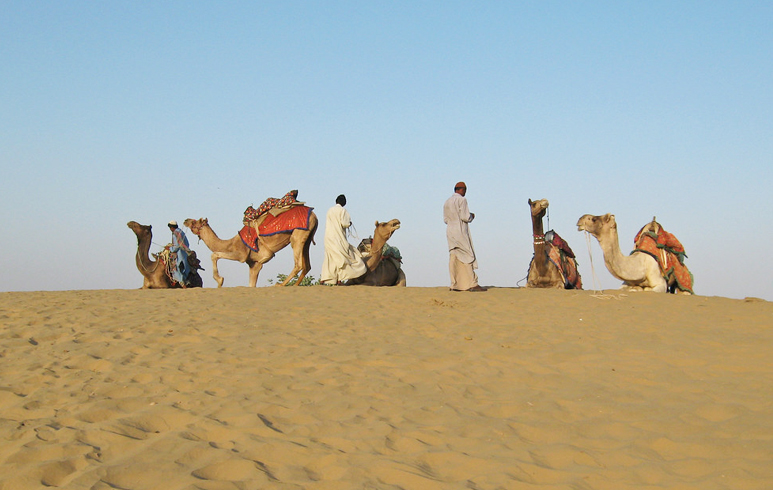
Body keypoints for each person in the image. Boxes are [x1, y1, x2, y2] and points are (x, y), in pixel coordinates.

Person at [443, 182, 487, 292]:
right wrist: (472, 216)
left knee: (454, 256)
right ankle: (472, 283)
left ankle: (455, 284)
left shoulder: (447, 202)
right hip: (460, 231)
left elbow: (445, 219)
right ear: (461, 190)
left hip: (450, 231)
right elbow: (465, 217)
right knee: (468, 255)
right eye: (464, 190)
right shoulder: (462, 200)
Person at [320, 194, 368, 285]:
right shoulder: (343, 211)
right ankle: (340, 279)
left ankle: (324, 279)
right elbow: (345, 223)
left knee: (330, 258)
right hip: (338, 238)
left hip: (328, 238)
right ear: (344, 203)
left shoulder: (329, 210)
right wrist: (349, 223)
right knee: (344, 258)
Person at [168, 220, 191, 287]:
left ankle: (182, 282)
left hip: (180, 253)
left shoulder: (175, 233)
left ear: (172, 227)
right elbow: (186, 243)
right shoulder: (181, 232)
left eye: (170, 227)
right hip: (185, 252)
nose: (170, 229)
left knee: (175, 267)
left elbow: (177, 246)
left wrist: (170, 248)